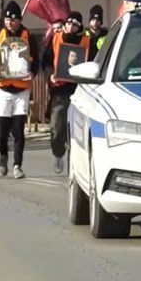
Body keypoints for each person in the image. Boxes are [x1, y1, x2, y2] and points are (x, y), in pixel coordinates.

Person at [0, 1, 39, 179]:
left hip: (21, 88)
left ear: (19, 21)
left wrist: (32, 72)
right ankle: (3, 155)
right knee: (2, 130)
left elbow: (36, 59)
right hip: (3, 88)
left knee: (18, 129)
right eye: (7, 19)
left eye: (14, 20)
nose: (10, 23)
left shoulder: (27, 35)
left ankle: (17, 165)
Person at [42, 11, 90, 174]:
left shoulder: (86, 41)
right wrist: (51, 75)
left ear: (79, 27)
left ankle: (75, 166)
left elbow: (93, 63)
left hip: (79, 91)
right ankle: (58, 153)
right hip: (60, 90)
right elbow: (46, 62)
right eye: (68, 23)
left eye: (74, 24)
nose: (70, 26)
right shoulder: (55, 38)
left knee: (77, 132)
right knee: (57, 127)